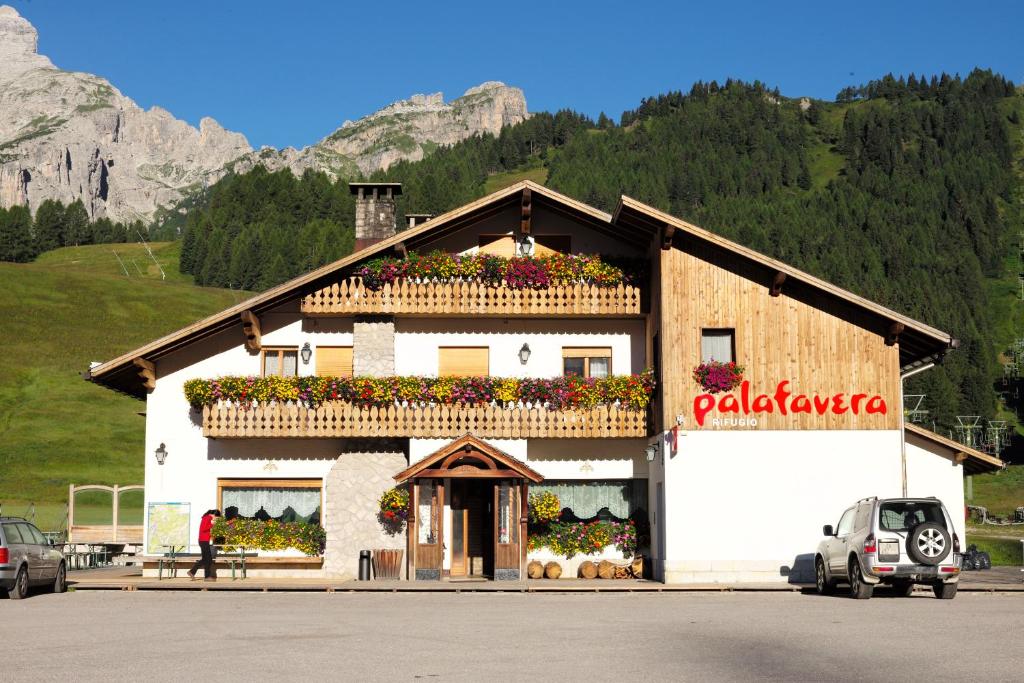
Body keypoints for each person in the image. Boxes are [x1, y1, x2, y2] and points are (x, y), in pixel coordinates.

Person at [187, 509, 221, 581]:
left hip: (203, 541)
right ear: (214, 515)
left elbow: (205, 529)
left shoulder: (206, 517)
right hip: (203, 541)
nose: (215, 519)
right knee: (208, 560)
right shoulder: (208, 518)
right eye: (217, 518)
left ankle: (192, 572)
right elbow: (204, 528)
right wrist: (212, 525)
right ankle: (207, 577)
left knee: (205, 559)